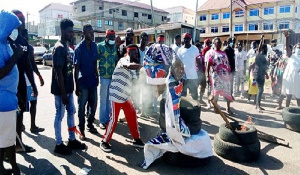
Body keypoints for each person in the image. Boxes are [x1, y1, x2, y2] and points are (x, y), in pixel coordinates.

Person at [51, 19, 86, 155]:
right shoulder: (59, 47)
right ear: (62, 31)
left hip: (69, 89)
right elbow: (58, 72)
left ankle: (72, 140)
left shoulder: (66, 47)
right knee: (59, 115)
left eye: (72, 31)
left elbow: (68, 70)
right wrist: (64, 93)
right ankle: (58, 144)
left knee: (71, 113)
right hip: (61, 91)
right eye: (69, 31)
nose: (72, 34)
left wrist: (73, 88)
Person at [100, 44, 144, 152]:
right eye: (134, 53)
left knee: (132, 116)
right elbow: (128, 66)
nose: (136, 55)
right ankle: (104, 141)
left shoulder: (134, 66)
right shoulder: (123, 60)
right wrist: (142, 66)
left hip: (125, 96)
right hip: (116, 95)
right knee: (113, 119)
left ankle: (136, 139)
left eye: (137, 53)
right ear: (129, 53)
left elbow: (134, 83)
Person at [0, 9, 22, 175]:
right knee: (7, 139)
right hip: (3, 102)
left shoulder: (5, 44)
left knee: (3, 138)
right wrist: (15, 57)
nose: (15, 32)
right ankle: (14, 168)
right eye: (13, 28)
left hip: (9, 99)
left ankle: (1, 168)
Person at [12, 9, 37, 153]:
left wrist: (33, 85)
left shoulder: (23, 41)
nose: (22, 23)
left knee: (19, 115)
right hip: (8, 86)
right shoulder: (5, 40)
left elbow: (27, 64)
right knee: (8, 118)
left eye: (23, 21)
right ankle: (6, 150)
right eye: (20, 21)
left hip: (21, 84)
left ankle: (18, 144)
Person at [74, 24, 99, 140]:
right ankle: (81, 129)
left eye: (92, 32)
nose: (92, 34)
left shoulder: (94, 46)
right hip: (82, 82)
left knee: (93, 104)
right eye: (90, 32)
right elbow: (76, 68)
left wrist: (97, 75)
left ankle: (90, 123)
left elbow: (95, 63)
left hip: (93, 80)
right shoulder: (79, 48)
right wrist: (76, 86)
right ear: (84, 33)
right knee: (81, 107)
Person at [21, 29, 45, 133]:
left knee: (21, 105)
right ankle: (32, 125)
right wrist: (39, 76)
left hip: (20, 81)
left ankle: (21, 125)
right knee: (33, 103)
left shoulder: (14, 46)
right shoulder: (28, 47)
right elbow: (32, 65)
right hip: (28, 81)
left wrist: (39, 76)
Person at [207, 37, 233, 114]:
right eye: (217, 42)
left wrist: (229, 73)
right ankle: (216, 108)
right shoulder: (211, 53)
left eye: (220, 42)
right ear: (214, 44)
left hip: (225, 76)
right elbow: (208, 66)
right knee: (216, 93)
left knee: (228, 92)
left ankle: (228, 108)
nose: (219, 44)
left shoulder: (224, 53)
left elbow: (227, 64)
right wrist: (207, 77)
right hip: (216, 76)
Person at [97, 29, 117, 129]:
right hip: (104, 76)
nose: (112, 39)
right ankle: (102, 121)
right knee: (103, 100)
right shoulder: (100, 46)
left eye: (113, 37)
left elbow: (116, 60)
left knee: (110, 100)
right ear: (106, 37)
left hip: (112, 76)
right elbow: (95, 60)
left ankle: (108, 119)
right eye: (110, 37)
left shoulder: (115, 47)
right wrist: (97, 73)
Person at [278, 31, 300, 109]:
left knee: (298, 97)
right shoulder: (292, 56)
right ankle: (286, 110)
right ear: (294, 49)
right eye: (298, 47)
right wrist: (287, 37)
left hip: (298, 81)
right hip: (289, 79)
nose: (299, 49)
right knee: (288, 95)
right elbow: (287, 48)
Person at [177, 33, 199, 101]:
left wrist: (200, 72)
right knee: (183, 95)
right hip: (183, 77)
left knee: (194, 95)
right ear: (183, 40)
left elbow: (198, 61)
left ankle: (196, 108)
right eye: (185, 38)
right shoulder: (180, 50)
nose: (186, 40)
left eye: (188, 38)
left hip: (193, 76)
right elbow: (178, 63)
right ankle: (184, 109)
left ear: (190, 39)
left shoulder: (194, 49)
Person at [254, 35, 269, 113]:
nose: (266, 50)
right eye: (265, 48)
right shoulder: (259, 54)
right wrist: (261, 39)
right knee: (260, 90)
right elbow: (259, 48)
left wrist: (266, 74)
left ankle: (257, 105)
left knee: (260, 90)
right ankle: (258, 106)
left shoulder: (263, 56)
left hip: (262, 74)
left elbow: (263, 66)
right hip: (258, 74)